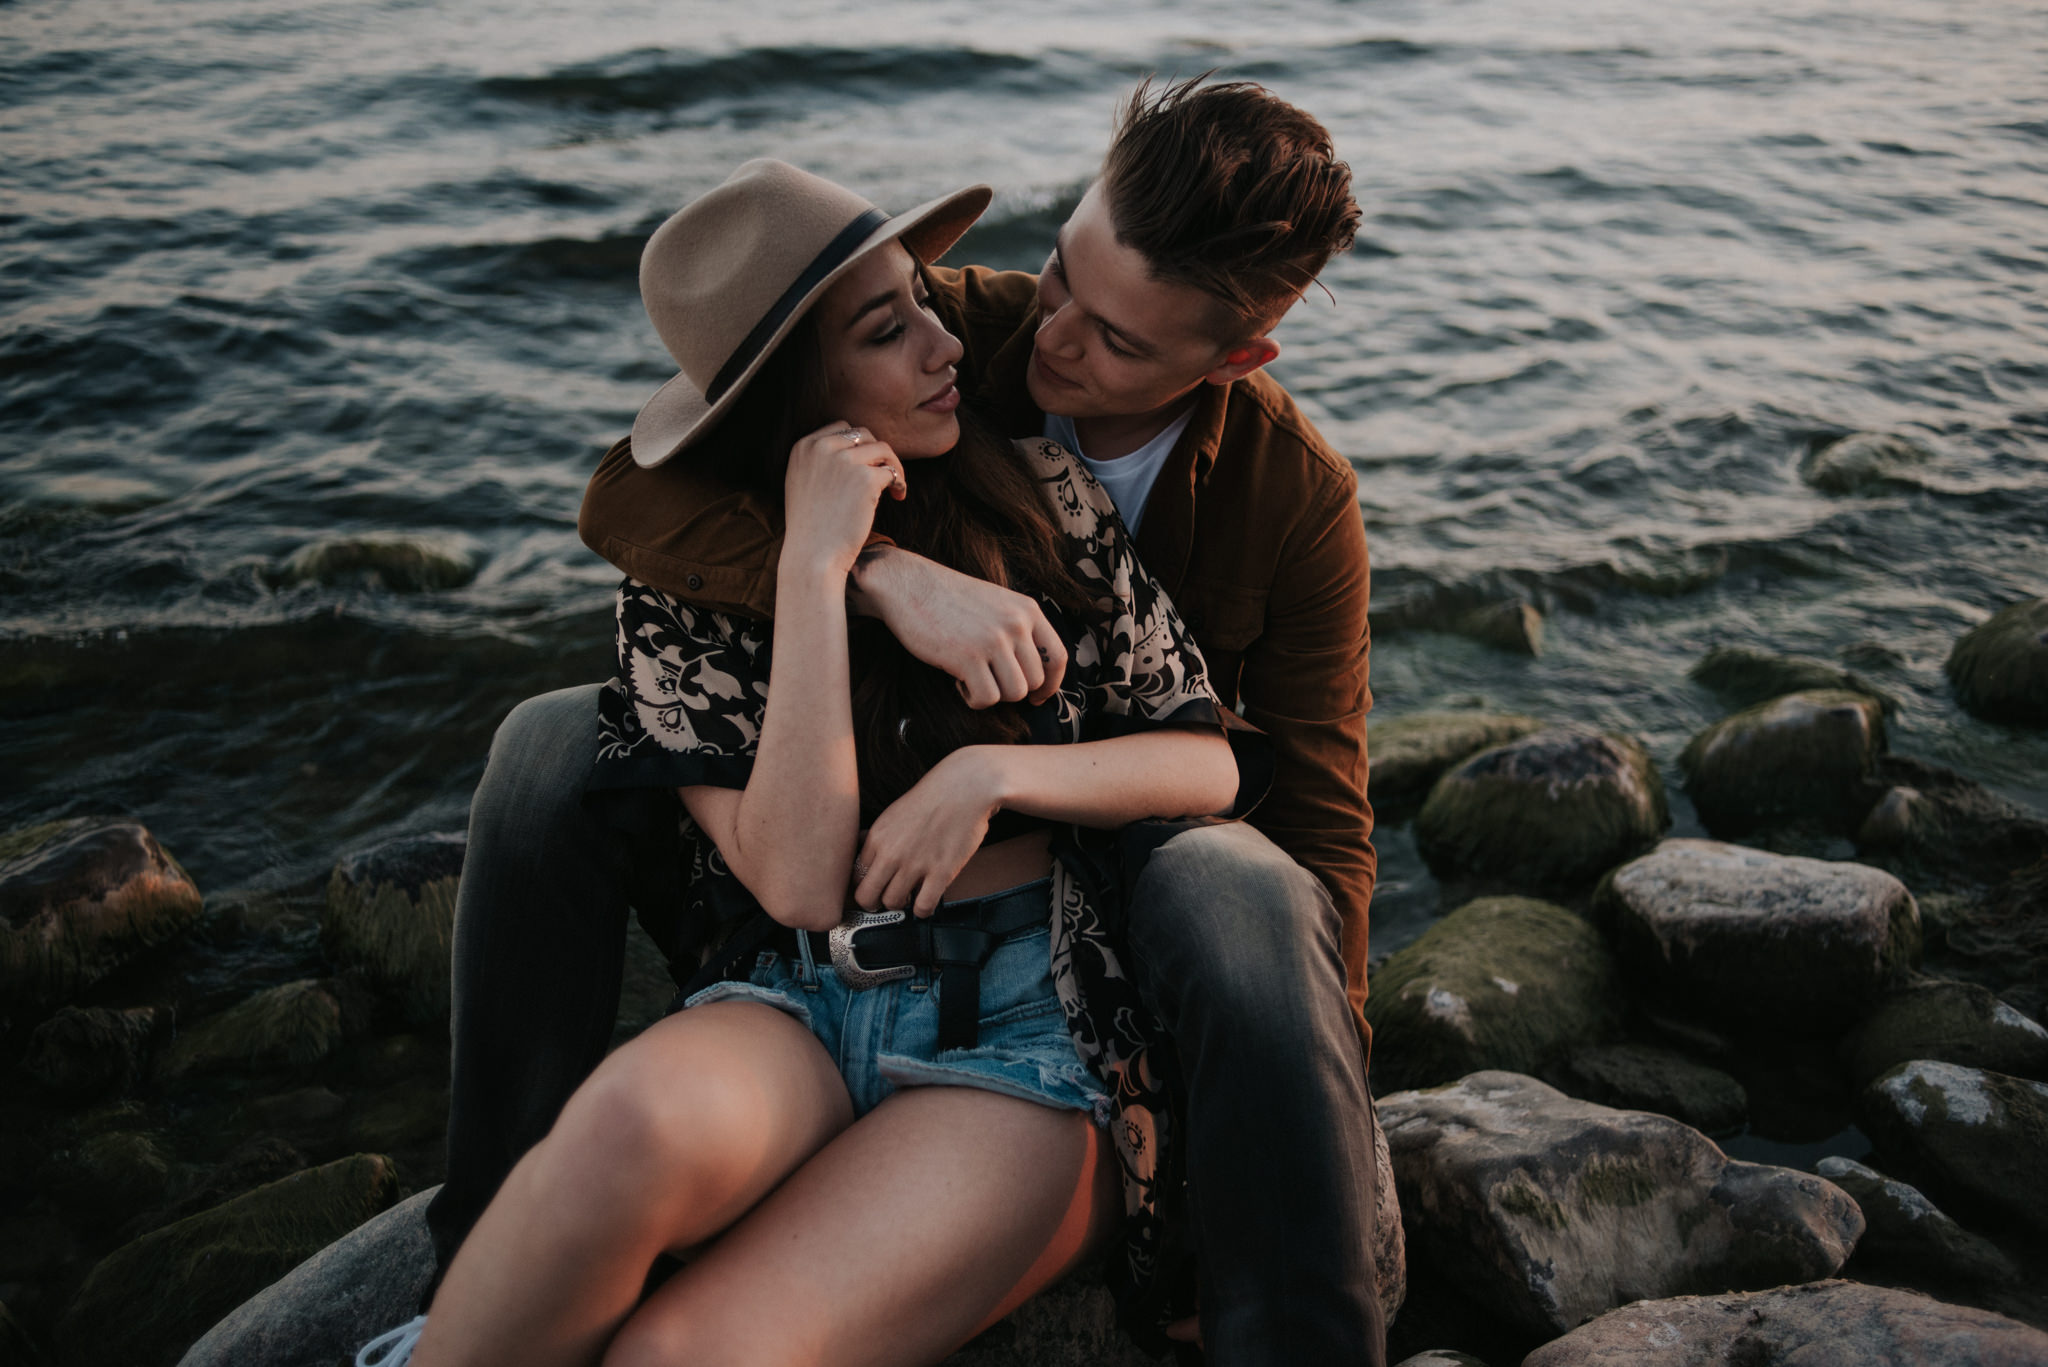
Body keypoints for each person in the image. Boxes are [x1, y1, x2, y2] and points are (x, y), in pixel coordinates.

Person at [429, 77, 1386, 1365]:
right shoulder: (964, 328)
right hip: (823, 940)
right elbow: (636, 489)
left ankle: (1284, 1315)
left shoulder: (1294, 498)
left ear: (1233, 360)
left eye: (1114, 341)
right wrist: (860, 570)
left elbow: (1314, 823)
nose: (1041, 345)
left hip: (1101, 893)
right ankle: (485, 1244)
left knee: (1244, 889)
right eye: (1058, 277)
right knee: (551, 744)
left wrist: (1308, 1118)